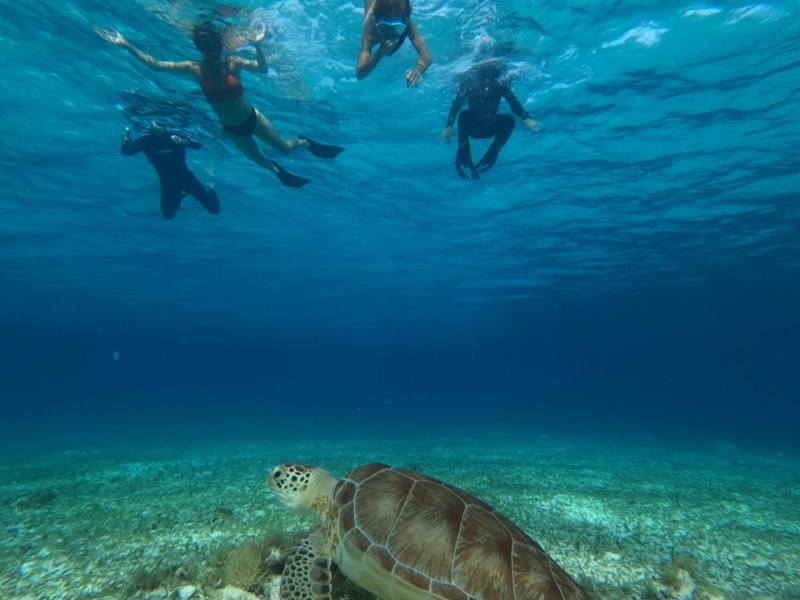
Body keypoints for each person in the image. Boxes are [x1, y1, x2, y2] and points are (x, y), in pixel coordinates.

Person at [96, 21, 344, 188]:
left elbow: (263, 68)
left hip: (252, 118)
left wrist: (258, 45)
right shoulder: (193, 68)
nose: (207, 51)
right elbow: (154, 64)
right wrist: (126, 44)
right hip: (233, 129)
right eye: (201, 46)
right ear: (198, 48)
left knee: (286, 149)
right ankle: (279, 173)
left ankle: (304, 141)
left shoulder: (233, 63)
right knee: (262, 162)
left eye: (211, 45)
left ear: (219, 44)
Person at [440, 59, 540, 179]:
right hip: (471, 127)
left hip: (489, 127)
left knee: (509, 121)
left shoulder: (500, 84)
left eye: (493, 65)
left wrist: (526, 118)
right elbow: (457, 103)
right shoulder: (469, 83)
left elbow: (512, 101)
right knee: (464, 115)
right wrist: (449, 125)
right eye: (487, 64)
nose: (490, 66)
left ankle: (494, 151)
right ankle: (463, 149)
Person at [121, 123, 220, 219]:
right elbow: (127, 152)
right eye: (155, 130)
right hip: (168, 184)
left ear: (165, 128)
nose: (159, 133)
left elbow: (197, 146)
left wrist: (184, 142)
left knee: (214, 210)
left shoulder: (174, 137)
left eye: (161, 128)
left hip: (188, 180)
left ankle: (210, 188)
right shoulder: (145, 141)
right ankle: (182, 193)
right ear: (150, 129)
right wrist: (125, 141)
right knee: (168, 215)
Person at [356, 0, 432, 87]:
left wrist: (417, 71)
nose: (390, 35)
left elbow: (426, 56)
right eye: (384, 28)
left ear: (405, 21)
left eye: (397, 28)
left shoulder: (407, 22)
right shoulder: (370, 27)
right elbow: (359, 74)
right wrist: (379, 54)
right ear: (376, 21)